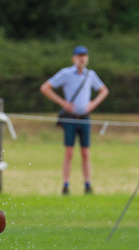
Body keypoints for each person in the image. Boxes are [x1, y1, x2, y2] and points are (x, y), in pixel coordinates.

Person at [39, 45, 109, 195]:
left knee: (85, 152)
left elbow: (104, 90)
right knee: (69, 152)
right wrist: (63, 103)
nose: (82, 59)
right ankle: (65, 184)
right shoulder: (66, 73)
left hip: (84, 117)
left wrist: (92, 104)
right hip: (70, 118)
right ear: (74, 58)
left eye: (84, 56)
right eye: (79, 56)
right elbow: (45, 88)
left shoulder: (90, 75)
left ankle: (87, 184)